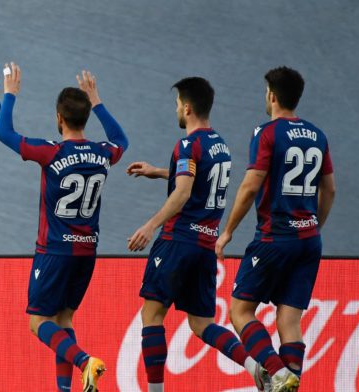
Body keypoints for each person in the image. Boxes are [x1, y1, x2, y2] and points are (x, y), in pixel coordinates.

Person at [0, 63, 128, 392]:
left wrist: (9, 94)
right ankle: (66, 389)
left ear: (59, 118)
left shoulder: (51, 151)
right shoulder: (103, 152)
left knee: (38, 322)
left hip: (54, 251)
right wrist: (97, 101)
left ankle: (85, 362)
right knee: (65, 321)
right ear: (84, 117)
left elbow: (3, 133)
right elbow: (121, 138)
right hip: (87, 251)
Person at [126, 77, 265, 392]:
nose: (176, 109)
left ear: (187, 108)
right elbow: (198, 178)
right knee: (202, 325)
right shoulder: (220, 145)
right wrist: (160, 171)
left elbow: (185, 191)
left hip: (178, 241)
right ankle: (255, 366)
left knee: (152, 316)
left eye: (177, 104)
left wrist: (151, 225)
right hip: (205, 245)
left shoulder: (188, 144)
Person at [215, 66, 335, 392]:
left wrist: (227, 232)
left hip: (274, 237)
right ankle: (288, 381)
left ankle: (276, 373)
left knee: (240, 310)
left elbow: (251, 185)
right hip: (309, 240)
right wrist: (313, 226)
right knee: (289, 321)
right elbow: (330, 190)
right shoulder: (318, 135)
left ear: (271, 95)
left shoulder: (266, 132)